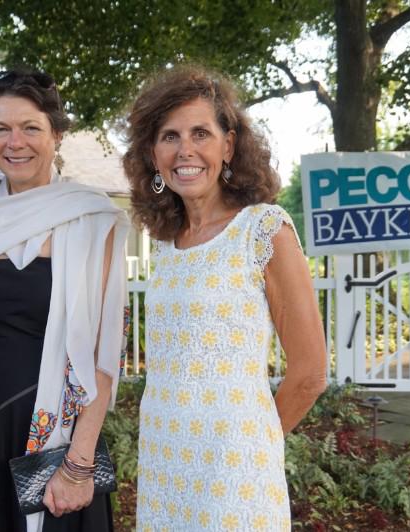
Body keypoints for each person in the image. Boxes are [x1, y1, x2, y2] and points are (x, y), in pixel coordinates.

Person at [122, 65, 328, 531]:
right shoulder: (165, 243)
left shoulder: (263, 230)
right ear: (153, 155)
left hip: (234, 473)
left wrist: (251, 447)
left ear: (228, 146)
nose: (185, 150)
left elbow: (311, 372)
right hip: (163, 461)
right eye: (169, 137)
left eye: (201, 133)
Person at [0, 69, 130, 532]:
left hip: (60, 434)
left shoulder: (93, 218)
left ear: (57, 134)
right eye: (0, 129)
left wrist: (80, 461)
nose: (15, 142)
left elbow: (105, 351)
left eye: (30, 127)